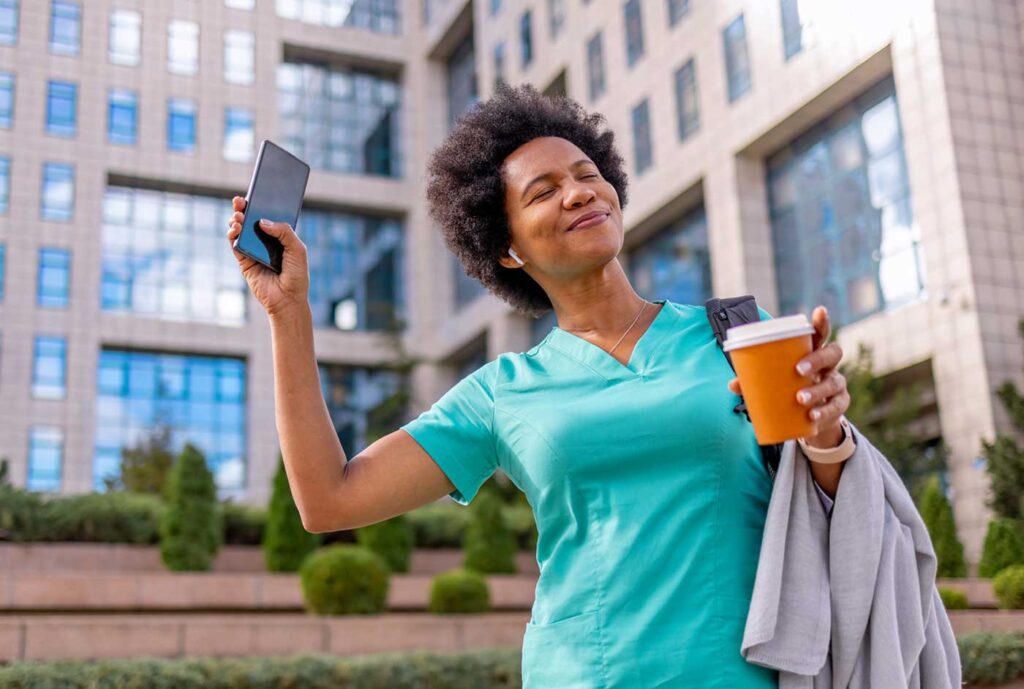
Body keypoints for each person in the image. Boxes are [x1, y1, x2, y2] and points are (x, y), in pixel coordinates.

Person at [225, 83, 852, 688]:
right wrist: (290, 315)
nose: (579, 194)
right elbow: (328, 500)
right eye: (544, 191)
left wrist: (829, 433)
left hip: (738, 675)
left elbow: (828, 496)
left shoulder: (736, 338)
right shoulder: (503, 390)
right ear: (508, 250)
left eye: (586, 174)